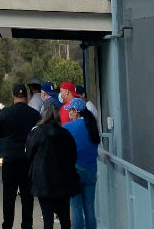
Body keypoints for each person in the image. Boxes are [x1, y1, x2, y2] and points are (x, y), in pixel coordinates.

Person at [26, 102, 80, 229]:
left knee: (47, 218)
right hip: (63, 181)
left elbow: (29, 154)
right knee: (65, 218)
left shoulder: (37, 133)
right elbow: (73, 155)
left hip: (43, 181)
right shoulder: (66, 134)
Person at [0, 83, 40, 229]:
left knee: (8, 196)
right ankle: (27, 225)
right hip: (28, 160)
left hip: (10, 159)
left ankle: (7, 225)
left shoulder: (6, 113)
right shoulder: (34, 114)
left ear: (13, 96)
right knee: (27, 197)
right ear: (26, 97)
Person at [67, 98, 100, 229]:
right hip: (91, 170)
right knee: (90, 208)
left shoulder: (69, 127)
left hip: (74, 170)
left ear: (76, 112)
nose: (69, 113)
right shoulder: (92, 127)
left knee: (76, 208)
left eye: (70, 110)